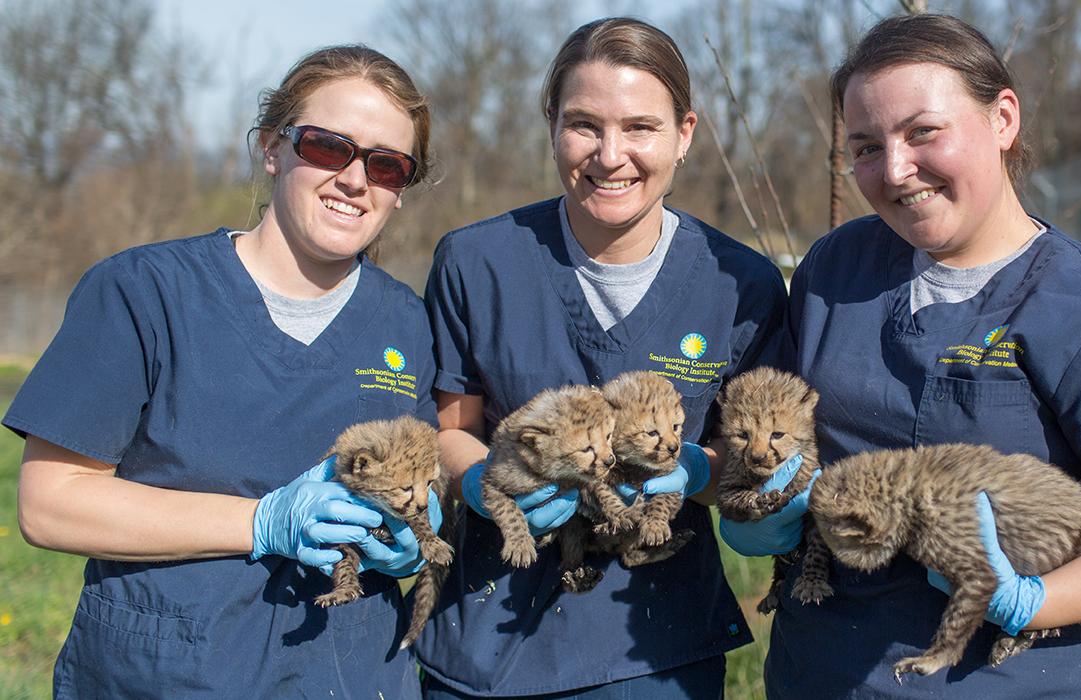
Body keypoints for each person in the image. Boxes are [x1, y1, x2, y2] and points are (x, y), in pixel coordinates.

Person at [719, 14, 1081, 698]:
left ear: (1003, 118)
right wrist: (757, 511)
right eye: (865, 147)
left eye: (923, 132)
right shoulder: (835, 270)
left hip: (1006, 678)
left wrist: (1030, 599)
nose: (895, 170)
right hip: (820, 673)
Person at [7, 46, 442, 698]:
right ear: (272, 147)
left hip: (346, 677)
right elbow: (50, 505)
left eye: (386, 165)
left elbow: (422, 476)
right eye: (329, 147)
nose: (356, 180)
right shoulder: (143, 293)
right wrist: (263, 522)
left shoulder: (406, 323)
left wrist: (416, 530)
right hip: (166, 677)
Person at [415, 17, 787, 699]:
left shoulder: (741, 287)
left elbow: (750, 474)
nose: (611, 154)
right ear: (552, 124)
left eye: (641, 127)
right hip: (490, 636)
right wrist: (487, 483)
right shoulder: (477, 263)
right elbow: (450, 433)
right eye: (585, 124)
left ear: (685, 135)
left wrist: (693, 468)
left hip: (654, 647)